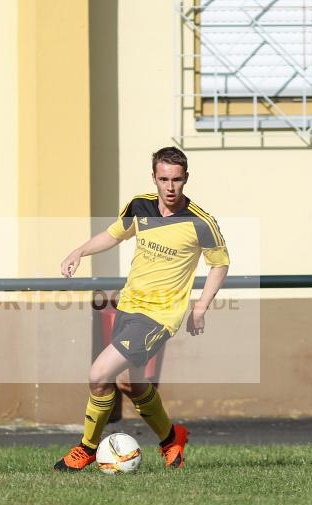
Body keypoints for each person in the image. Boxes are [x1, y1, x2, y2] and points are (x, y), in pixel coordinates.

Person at [55, 146, 229, 471]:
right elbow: (113, 235)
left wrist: (201, 307)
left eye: (176, 179)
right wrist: (79, 251)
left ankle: (87, 448)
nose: (170, 187)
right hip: (129, 306)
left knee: (98, 374)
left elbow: (219, 265)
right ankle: (171, 438)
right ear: (154, 177)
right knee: (130, 384)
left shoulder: (200, 222)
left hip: (160, 316)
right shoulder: (140, 206)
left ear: (186, 178)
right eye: (164, 179)